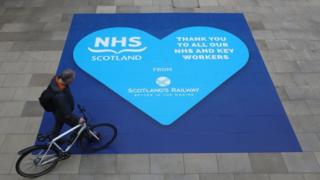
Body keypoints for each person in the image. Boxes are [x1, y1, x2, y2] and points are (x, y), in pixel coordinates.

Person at [48, 69, 85, 140]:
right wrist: (78, 119)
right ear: (68, 80)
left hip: (56, 110)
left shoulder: (56, 80)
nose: (73, 81)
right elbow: (66, 112)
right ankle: (72, 139)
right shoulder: (60, 96)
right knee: (79, 125)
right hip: (62, 113)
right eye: (72, 79)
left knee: (59, 123)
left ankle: (53, 138)